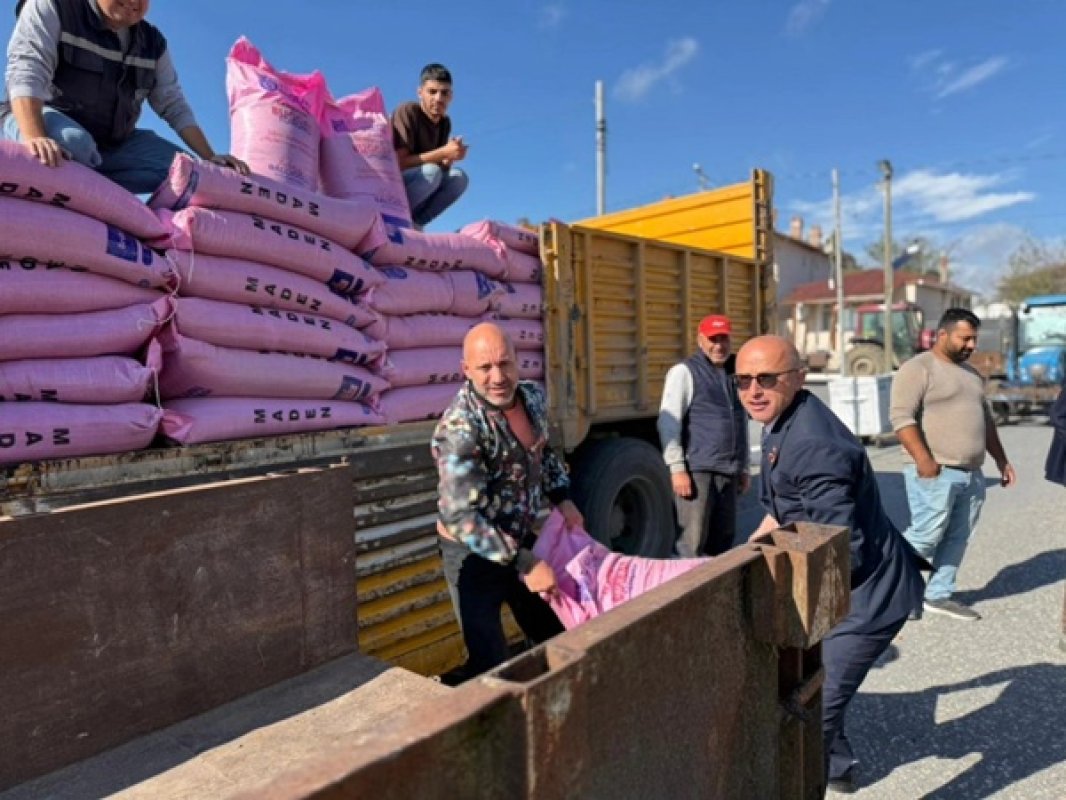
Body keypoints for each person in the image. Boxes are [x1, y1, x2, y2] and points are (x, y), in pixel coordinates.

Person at [739, 335, 925, 794]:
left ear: (799, 377)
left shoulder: (816, 445)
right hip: (836, 584)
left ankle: (815, 778)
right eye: (743, 380)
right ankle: (840, 768)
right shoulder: (782, 417)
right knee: (811, 682)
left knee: (811, 713)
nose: (753, 391)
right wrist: (748, 552)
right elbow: (786, 508)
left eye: (767, 379)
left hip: (864, 599)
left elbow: (838, 552)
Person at [432, 322, 583, 678]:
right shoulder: (459, 429)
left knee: (551, 634)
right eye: (485, 368)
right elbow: (460, 515)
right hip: (473, 551)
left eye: (505, 364)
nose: (498, 377)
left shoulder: (531, 398)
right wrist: (526, 563)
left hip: (519, 534)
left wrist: (562, 497)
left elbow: (544, 453)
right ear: (466, 371)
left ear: (519, 362)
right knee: (490, 663)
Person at [2, 0, 247, 194]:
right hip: (39, 121)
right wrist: (35, 136)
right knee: (74, 142)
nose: (133, 1)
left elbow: (173, 104)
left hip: (110, 144)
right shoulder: (54, 7)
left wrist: (210, 157)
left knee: (188, 174)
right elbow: (27, 71)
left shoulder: (153, 44)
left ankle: (110, 203)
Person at [890, 308, 1016, 622]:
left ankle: (938, 594)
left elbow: (985, 422)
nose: (972, 345)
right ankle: (893, 593)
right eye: (965, 338)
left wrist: (1001, 460)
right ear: (942, 335)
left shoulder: (972, 375)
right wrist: (925, 462)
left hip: (971, 474)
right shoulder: (918, 368)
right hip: (935, 472)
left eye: (974, 338)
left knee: (958, 537)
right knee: (925, 536)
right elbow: (901, 419)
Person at [657, 314, 749, 557]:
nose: (719, 345)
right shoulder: (684, 372)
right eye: (713, 339)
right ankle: (685, 593)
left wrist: (744, 467)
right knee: (691, 543)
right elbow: (668, 421)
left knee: (723, 542)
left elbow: (741, 422)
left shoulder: (735, 372)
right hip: (699, 470)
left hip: (728, 470)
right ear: (700, 340)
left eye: (724, 339)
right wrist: (677, 468)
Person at [391, 63, 468, 229]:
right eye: (432, 92)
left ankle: (416, 223)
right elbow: (399, 163)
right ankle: (396, 215)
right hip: (393, 183)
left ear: (451, 96)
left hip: (421, 182)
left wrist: (449, 159)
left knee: (459, 178)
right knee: (432, 172)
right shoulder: (408, 111)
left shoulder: (444, 123)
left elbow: (440, 167)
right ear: (420, 93)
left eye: (444, 93)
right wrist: (443, 152)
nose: (439, 98)